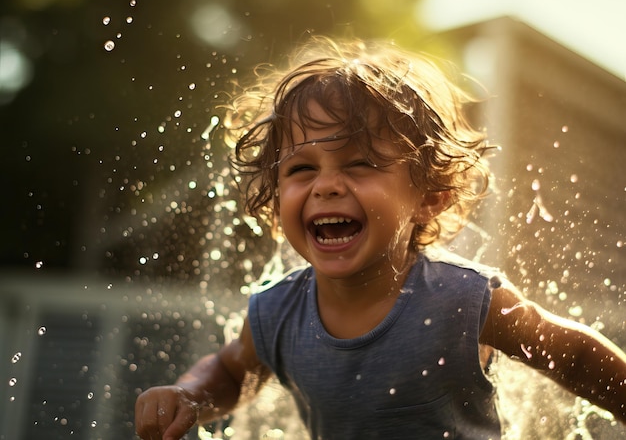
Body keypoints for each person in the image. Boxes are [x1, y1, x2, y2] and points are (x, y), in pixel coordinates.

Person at [135, 37, 626, 439]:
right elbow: (231, 373)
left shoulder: (464, 300)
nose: (325, 184)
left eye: (359, 164)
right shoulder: (277, 312)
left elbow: (576, 356)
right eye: (302, 169)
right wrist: (189, 396)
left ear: (429, 196)